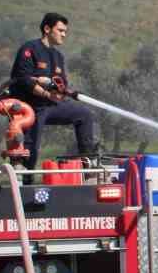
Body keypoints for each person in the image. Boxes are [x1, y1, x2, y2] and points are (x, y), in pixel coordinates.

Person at [8, 12, 99, 166]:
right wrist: (44, 91)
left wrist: (60, 93)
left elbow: (61, 82)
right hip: (30, 108)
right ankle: (25, 182)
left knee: (84, 115)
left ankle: (88, 164)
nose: (64, 35)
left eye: (65, 32)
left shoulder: (58, 57)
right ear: (47, 29)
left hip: (50, 105)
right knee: (31, 148)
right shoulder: (30, 48)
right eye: (60, 30)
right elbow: (22, 78)